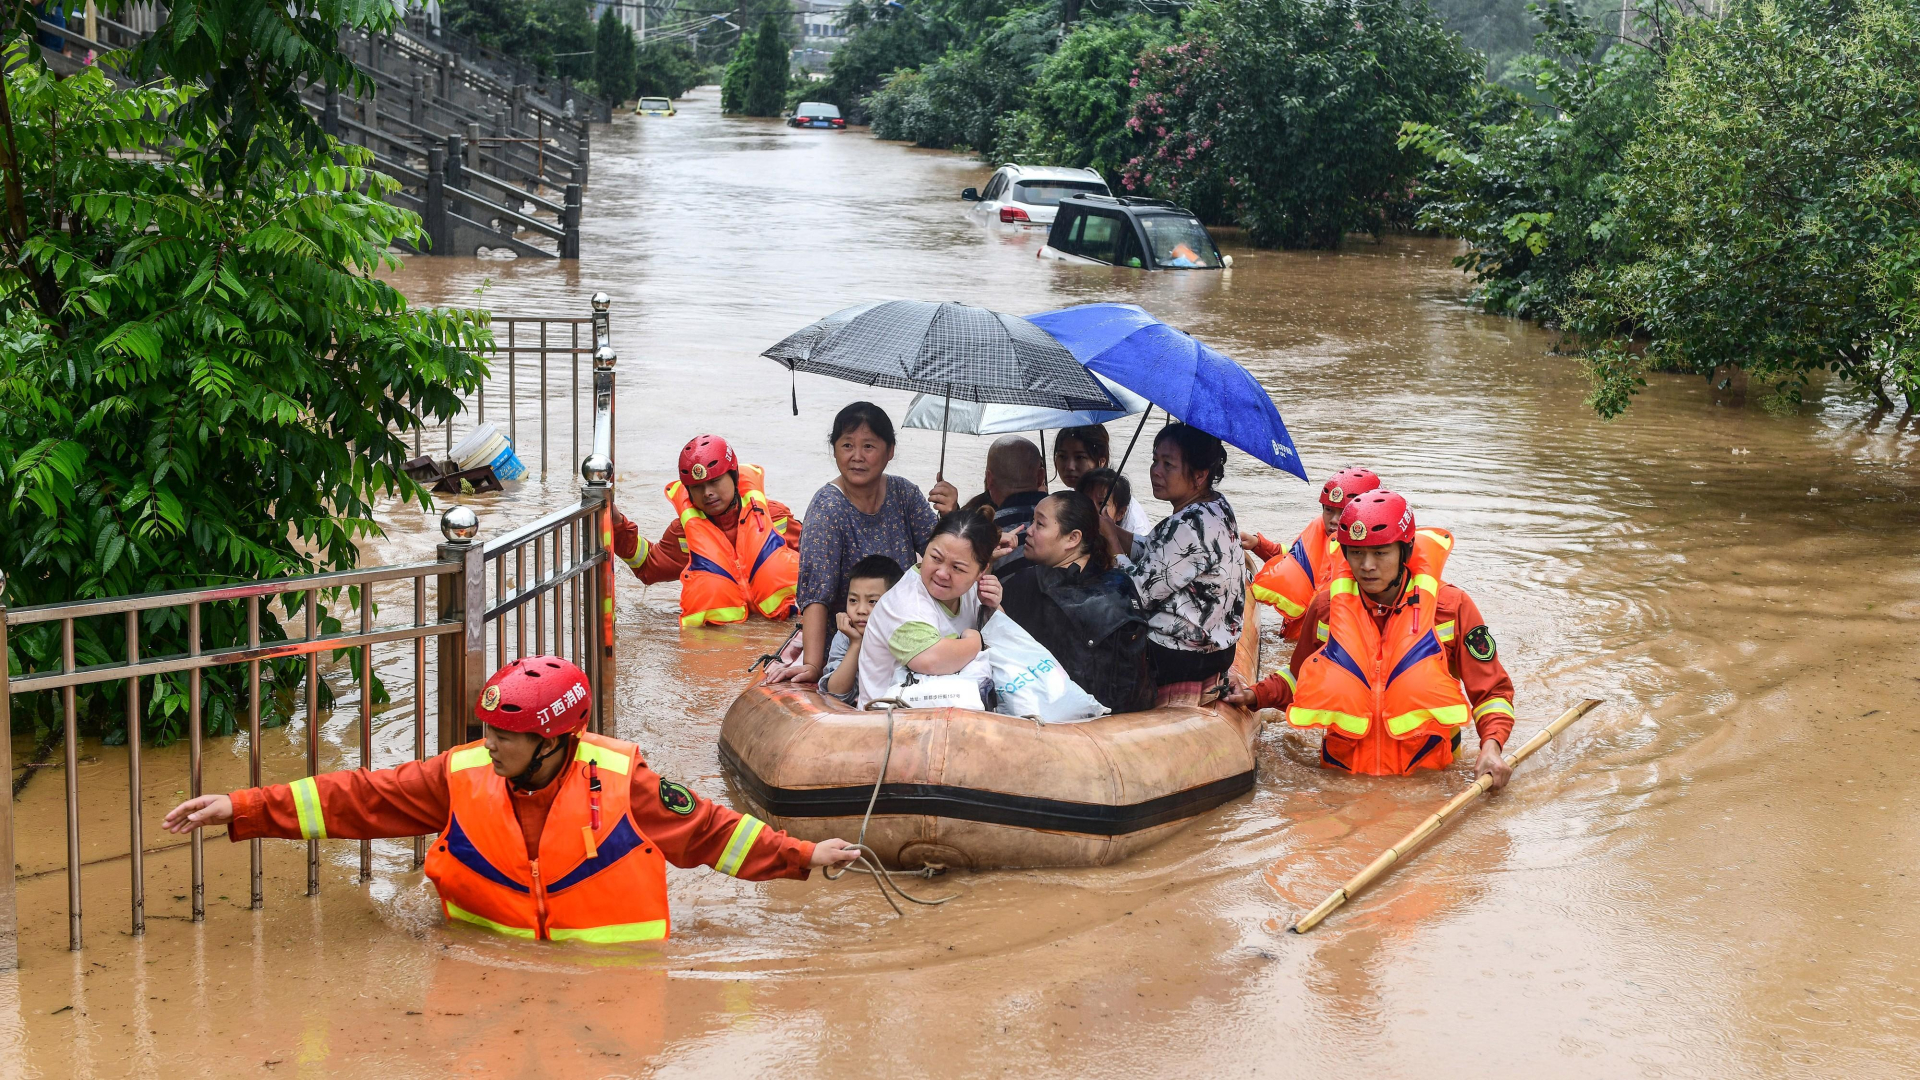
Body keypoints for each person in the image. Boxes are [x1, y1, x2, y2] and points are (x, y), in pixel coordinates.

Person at [161, 656, 862, 942]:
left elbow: (713, 834)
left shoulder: (625, 782)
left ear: (556, 740)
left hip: (611, 978)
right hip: (477, 954)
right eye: (490, 731)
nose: (491, 747)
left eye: (508, 736)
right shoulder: (462, 773)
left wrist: (804, 854)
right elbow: (359, 798)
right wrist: (244, 807)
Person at [1223, 491, 1516, 785]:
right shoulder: (1326, 608)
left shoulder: (1451, 608)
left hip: (1427, 781)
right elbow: (1301, 678)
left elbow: (1491, 692)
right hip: (1342, 781)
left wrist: (1491, 747)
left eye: (1380, 553)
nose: (1366, 566)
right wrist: (1253, 695)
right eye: (1357, 553)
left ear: (1407, 550)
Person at [767, 402, 940, 685]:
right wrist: (812, 664)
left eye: (869, 447)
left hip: (906, 633)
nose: (857, 457)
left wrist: (951, 512)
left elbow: (939, 558)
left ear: (890, 451)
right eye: (847, 445)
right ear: (834, 449)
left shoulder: (905, 494)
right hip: (849, 641)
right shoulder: (828, 508)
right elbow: (816, 594)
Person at [1100, 424, 1245, 705]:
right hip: (1215, 647)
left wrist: (1110, 541)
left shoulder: (1190, 524)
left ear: (1200, 475)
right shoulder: (1214, 505)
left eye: (1168, 464)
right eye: (1155, 460)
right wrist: (1111, 527)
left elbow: (1132, 593)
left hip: (1181, 654)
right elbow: (1157, 551)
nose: (1156, 470)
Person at [612, 435, 803, 627]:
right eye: (697, 487)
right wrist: (617, 523)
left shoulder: (773, 515)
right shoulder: (683, 533)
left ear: (734, 475)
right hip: (726, 640)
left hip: (785, 626)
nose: (707, 493)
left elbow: (820, 556)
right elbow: (647, 566)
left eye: (715, 481)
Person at [999, 492, 1155, 712]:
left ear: (1073, 538)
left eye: (1039, 524)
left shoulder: (1028, 584)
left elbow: (984, 628)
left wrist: (985, 561)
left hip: (1056, 717)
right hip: (1122, 717)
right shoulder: (1120, 581)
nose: (1029, 530)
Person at [856, 510, 1003, 708]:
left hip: (942, 716)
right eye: (935, 558)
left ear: (981, 571)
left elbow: (1003, 640)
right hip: (887, 723)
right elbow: (931, 660)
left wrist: (993, 607)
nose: (942, 573)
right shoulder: (904, 602)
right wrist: (977, 641)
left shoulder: (972, 591)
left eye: (957, 568)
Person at [1241, 466, 1380, 640]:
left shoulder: (1373, 563)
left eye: (1343, 511)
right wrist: (1258, 544)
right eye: (1329, 510)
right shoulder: (1319, 532)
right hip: (1294, 641)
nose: (1334, 520)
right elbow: (1292, 561)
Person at [819, 554, 905, 705]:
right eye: (853, 600)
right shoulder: (846, 635)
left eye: (872, 601)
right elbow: (836, 694)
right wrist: (855, 644)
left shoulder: (906, 631)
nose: (861, 610)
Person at [1052, 424, 1151, 535]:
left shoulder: (1127, 511)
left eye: (1079, 457)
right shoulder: (1067, 500)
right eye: (1062, 456)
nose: (1069, 466)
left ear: (1101, 462)